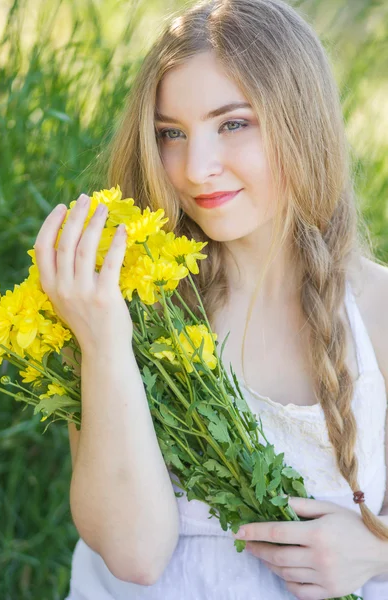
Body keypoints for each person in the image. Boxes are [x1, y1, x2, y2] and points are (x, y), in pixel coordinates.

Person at [33, 0, 388, 598]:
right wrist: (102, 340)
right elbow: (135, 555)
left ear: (302, 122)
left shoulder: (375, 307)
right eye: (171, 133)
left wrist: (376, 551)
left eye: (232, 124)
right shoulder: (126, 304)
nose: (196, 169)